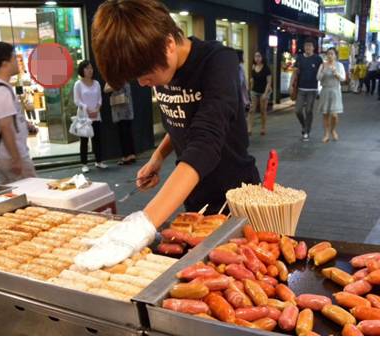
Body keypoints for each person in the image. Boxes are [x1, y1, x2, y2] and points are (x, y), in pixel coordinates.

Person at [74, 0, 260, 271]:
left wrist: (143, 223)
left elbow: (206, 139)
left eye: (145, 75)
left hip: (236, 195)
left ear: (168, 44)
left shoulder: (219, 63)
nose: (142, 83)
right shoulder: (162, 66)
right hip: (193, 194)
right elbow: (183, 118)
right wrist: (158, 156)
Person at [0, 42, 36, 184]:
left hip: (4, 154)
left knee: (11, 193)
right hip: (11, 154)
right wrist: (16, 159)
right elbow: (5, 126)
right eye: (14, 58)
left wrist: (23, 123)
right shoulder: (1, 91)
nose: (17, 61)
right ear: (4, 63)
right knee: (31, 192)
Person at [74, 60, 108, 173]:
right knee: (84, 140)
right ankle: (84, 163)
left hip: (96, 115)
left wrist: (97, 109)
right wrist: (87, 109)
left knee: (97, 139)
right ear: (82, 70)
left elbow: (100, 99)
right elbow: (77, 100)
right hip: (84, 116)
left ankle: (99, 161)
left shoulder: (97, 83)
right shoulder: (78, 84)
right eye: (87, 68)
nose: (90, 70)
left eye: (91, 68)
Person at [290, 38, 323, 141]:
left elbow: (322, 74)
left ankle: (307, 131)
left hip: (312, 90)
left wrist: (322, 88)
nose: (308, 48)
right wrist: (291, 85)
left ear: (313, 47)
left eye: (310, 46)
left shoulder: (318, 59)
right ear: (304, 47)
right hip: (301, 89)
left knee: (309, 110)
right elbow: (294, 73)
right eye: (306, 46)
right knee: (298, 110)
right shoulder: (299, 58)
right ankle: (305, 125)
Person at [316, 48, 346, 143]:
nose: (330, 56)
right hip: (325, 90)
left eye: (332, 54)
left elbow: (343, 78)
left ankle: (333, 130)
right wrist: (324, 71)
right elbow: (318, 78)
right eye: (328, 54)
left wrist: (335, 72)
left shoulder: (339, 65)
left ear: (335, 56)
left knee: (334, 115)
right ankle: (326, 134)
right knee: (325, 114)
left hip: (335, 91)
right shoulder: (322, 65)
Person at [104, 82, 136, 165]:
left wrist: (114, 85)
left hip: (122, 106)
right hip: (123, 106)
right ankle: (130, 155)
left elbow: (107, 88)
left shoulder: (114, 77)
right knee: (126, 131)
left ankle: (127, 156)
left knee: (124, 132)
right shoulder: (120, 76)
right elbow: (106, 89)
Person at [248, 51, 272, 136]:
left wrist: (265, 94)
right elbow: (252, 80)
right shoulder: (253, 67)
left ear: (262, 57)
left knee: (262, 110)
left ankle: (263, 127)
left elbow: (269, 82)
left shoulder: (266, 68)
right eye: (255, 56)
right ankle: (249, 128)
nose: (257, 58)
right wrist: (250, 89)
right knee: (251, 110)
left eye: (259, 56)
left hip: (264, 91)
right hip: (254, 91)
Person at [236, 50, 250, 114]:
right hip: (235, 98)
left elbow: (244, 85)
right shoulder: (235, 68)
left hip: (240, 99)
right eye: (243, 56)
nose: (244, 57)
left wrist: (247, 100)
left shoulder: (241, 67)